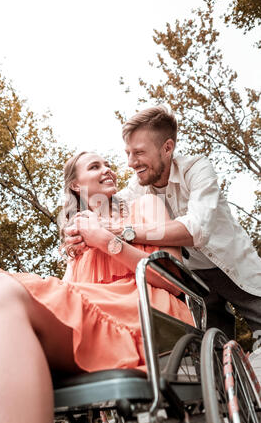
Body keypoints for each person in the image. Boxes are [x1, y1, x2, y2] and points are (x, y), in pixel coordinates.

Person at [0, 151, 193, 423]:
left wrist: (106, 240)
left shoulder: (145, 205)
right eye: (95, 166)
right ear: (74, 185)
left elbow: (174, 282)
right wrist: (82, 245)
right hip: (92, 318)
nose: (107, 170)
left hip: (146, 312)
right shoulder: (75, 236)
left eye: (107, 164)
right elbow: (67, 296)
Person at [65, 106, 261, 342]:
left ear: (167, 148)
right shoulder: (136, 190)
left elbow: (196, 228)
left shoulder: (196, 169)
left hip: (232, 266)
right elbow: (107, 209)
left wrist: (118, 233)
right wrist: (77, 231)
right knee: (216, 349)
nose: (130, 162)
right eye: (128, 153)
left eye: (138, 153)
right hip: (194, 280)